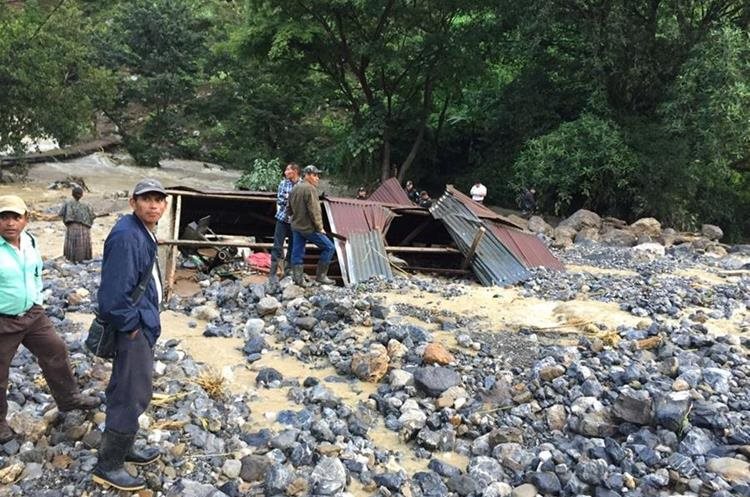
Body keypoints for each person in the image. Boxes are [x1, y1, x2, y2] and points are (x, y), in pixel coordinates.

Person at [0, 195, 100, 444]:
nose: (10, 223)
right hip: (3, 321)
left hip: (33, 315)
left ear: (26, 219)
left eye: (16, 217)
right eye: (3, 217)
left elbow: (34, 273)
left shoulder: (30, 240)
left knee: (56, 350)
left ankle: (68, 399)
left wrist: (36, 300)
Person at [92, 179, 167, 491]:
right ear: (133, 202)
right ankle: (108, 465)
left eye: (158, 200)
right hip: (132, 328)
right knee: (129, 392)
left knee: (133, 387)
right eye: (146, 199)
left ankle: (125, 448)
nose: (153, 205)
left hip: (141, 323)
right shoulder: (126, 236)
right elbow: (113, 295)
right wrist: (134, 327)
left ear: (165, 204)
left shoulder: (141, 230)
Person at [287, 165, 335, 286]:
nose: (317, 178)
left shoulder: (295, 188)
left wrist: (295, 218)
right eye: (314, 175)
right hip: (308, 228)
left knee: (297, 252)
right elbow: (314, 211)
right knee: (329, 247)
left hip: (296, 226)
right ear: (307, 175)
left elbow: (288, 209)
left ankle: (298, 280)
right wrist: (320, 228)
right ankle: (321, 276)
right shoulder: (310, 189)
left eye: (317, 175)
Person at [269, 163, 301, 284]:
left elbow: (302, 203)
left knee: (293, 245)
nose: (286, 172)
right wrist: (293, 202)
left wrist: (290, 200)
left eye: (288, 169)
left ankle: (289, 270)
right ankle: (272, 273)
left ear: (295, 171)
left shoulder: (302, 185)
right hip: (283, 218)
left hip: (296, 221)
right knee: (277, 245)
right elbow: (281, 200)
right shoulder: (283, 183)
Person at [59, 185, 96, 263]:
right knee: (82, 243)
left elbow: (61, 214)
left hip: (72, 226)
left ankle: (72, 259)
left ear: (72, 194)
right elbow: (92, 215)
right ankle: (83, 258)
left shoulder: (67, 203)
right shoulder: (86, 204)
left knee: (73, 243)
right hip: (84, 227)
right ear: (82, 195)